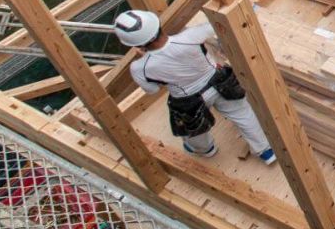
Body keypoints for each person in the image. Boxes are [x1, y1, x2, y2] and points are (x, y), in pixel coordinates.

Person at [114, 10, 276, 164]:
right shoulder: (190, 36)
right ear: (158, 25)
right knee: (243, 114)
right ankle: (265, 150)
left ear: (136, 44)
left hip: (187, 100)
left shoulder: (139, 68)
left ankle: (205, 149)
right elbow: (216, 25)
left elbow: (152, 90)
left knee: (195, 130)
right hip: (219, 81)